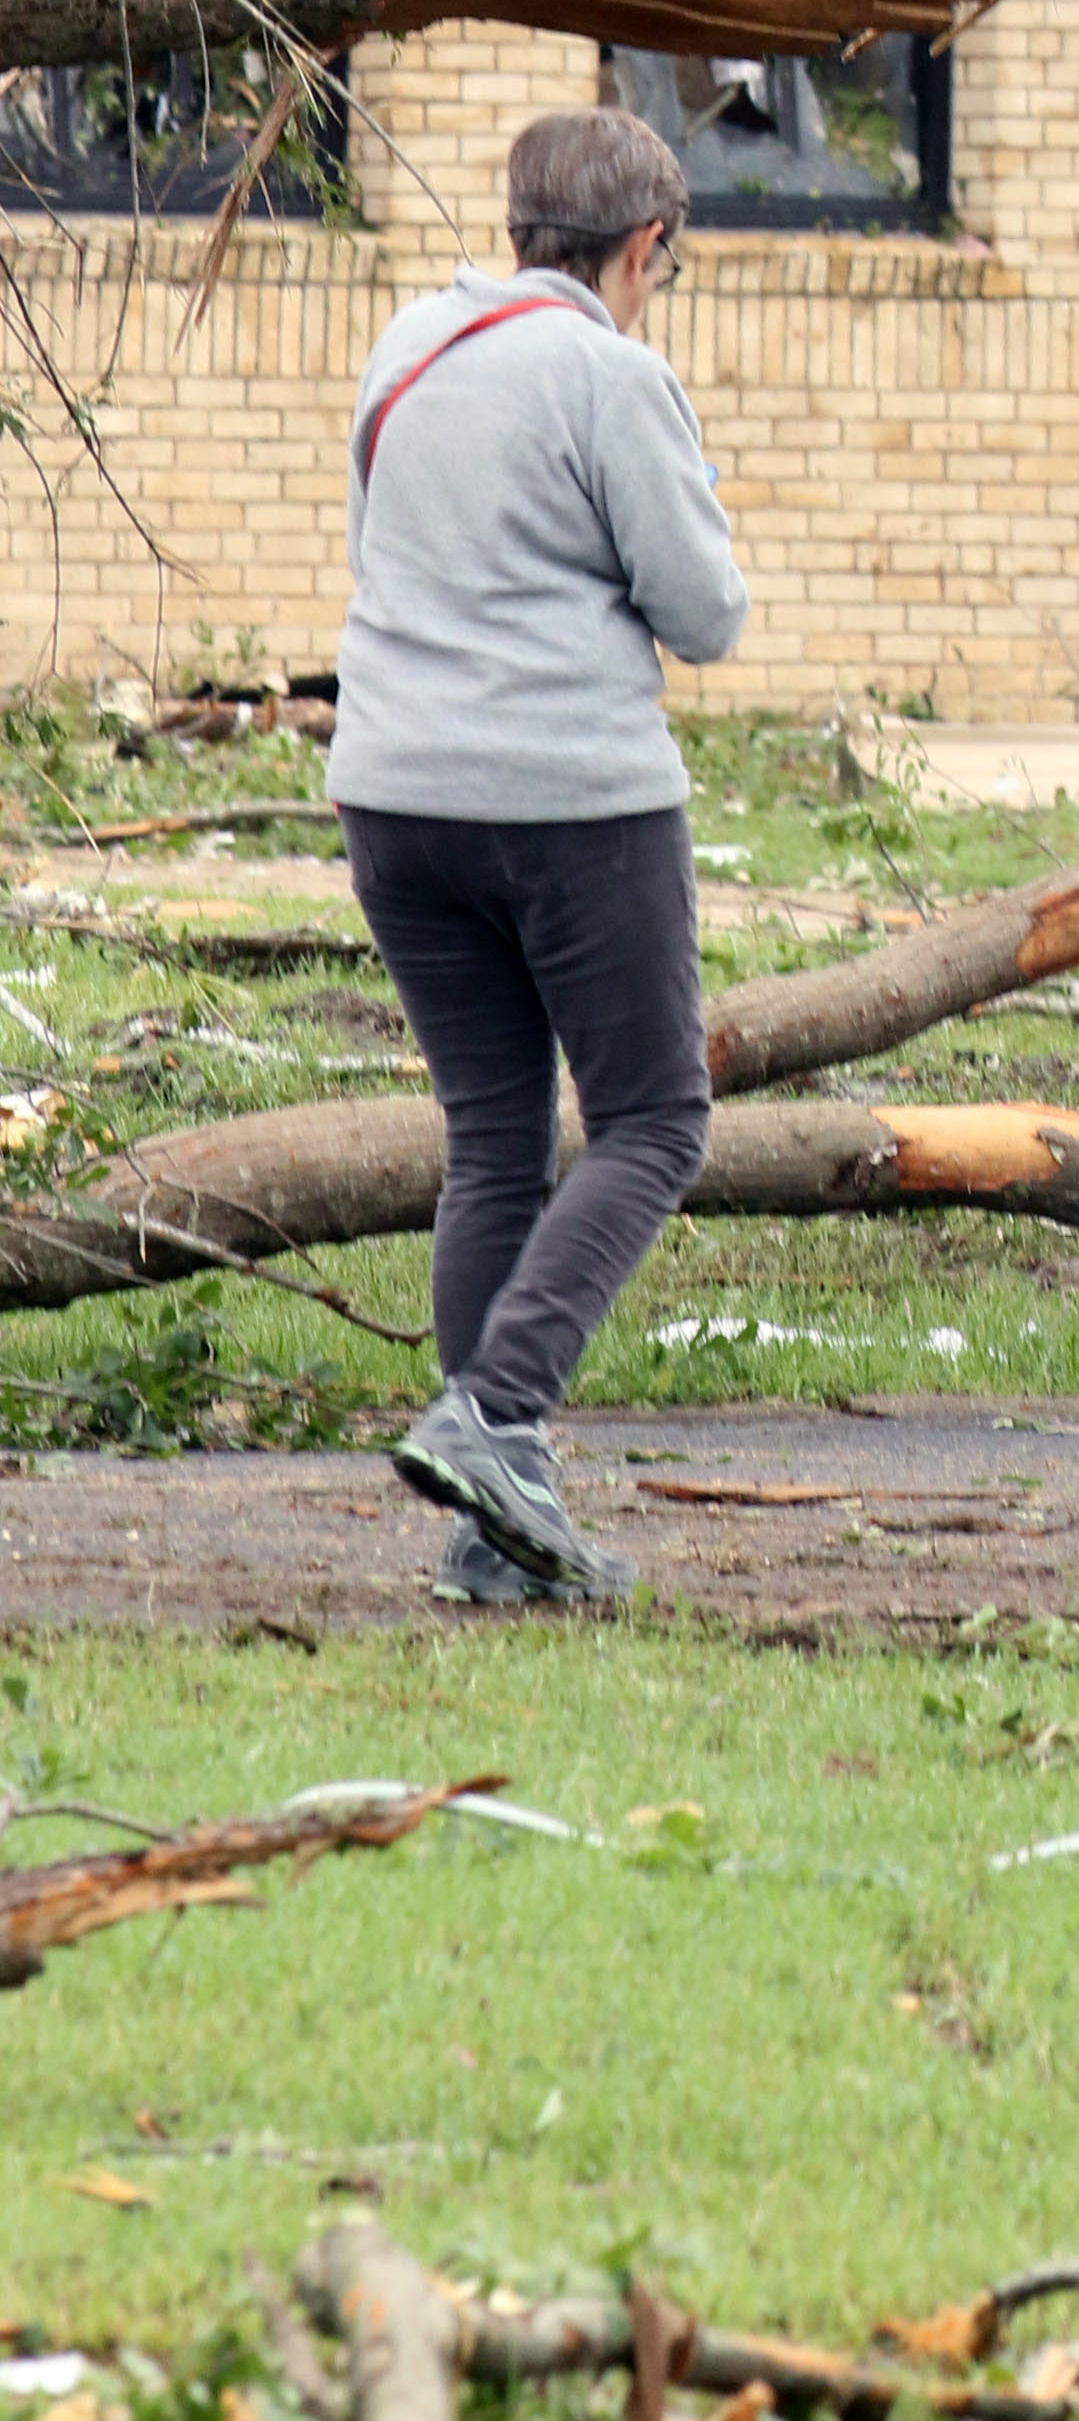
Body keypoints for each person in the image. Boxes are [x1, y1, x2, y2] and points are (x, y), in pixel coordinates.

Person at [330, 105, 746, 1606]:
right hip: (570, 800)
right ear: (643, 247)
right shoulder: (609, 374)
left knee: (495, 1139)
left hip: (391, 794)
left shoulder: (404, 351)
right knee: (651, 1119)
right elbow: (702, 613)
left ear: (521, 229)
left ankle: (489, 1537)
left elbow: (385, 554)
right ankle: (496, 1417)